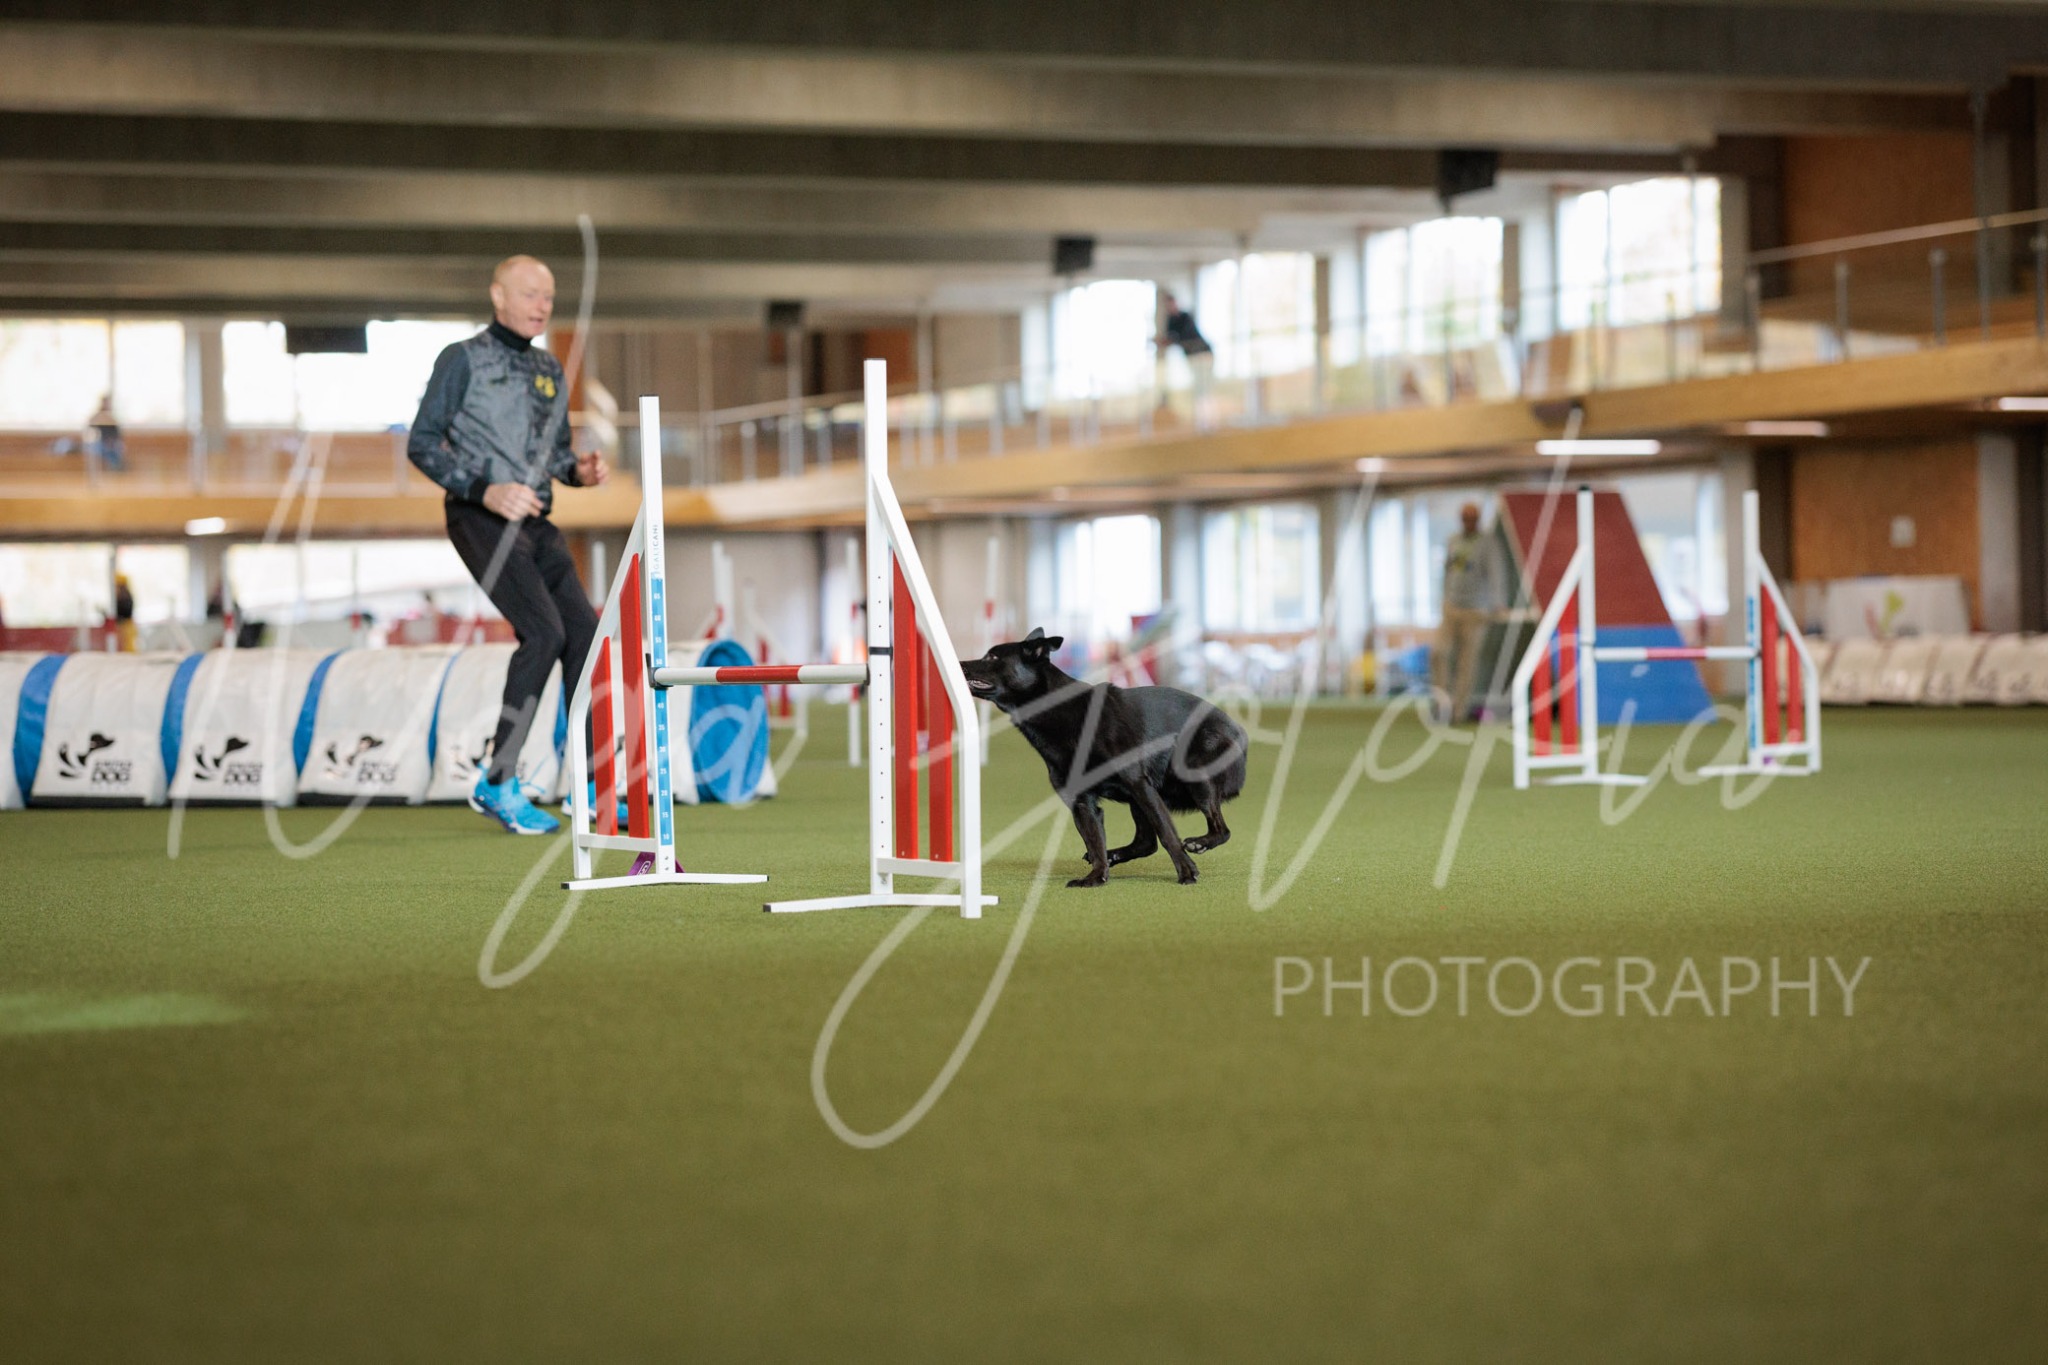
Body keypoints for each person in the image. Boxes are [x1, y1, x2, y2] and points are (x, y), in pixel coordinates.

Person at [409, 255, 608, 834]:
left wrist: (579, 472)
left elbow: (557, 457)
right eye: (529, 294)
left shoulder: (548, 368)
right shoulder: (462, 359)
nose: (541, 306)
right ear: (498, 296)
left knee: (585, 637)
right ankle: (498, 782)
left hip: (537, 522)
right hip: (480, 517)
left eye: (548, 296)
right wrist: (485, 491)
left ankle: (589, 789)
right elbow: (422, 443)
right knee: (544, 633)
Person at [1434, 502, 1499, 724]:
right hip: (1451, 607)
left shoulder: (1487, 543)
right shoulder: (1453, 541)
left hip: (1476, 610)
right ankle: (1442, 703)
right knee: (1439, 653)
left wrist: (1496, 603)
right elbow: (1446, 572)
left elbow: (1496, 574)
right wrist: (1443, 598)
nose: (1468, 522)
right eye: (1465, 518)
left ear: (1478, 520)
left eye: (1472, 518)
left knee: (1467, 663)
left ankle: (1459, 711)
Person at [1157, 291, 1214, 428]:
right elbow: (1169, 338)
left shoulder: (1185, 317)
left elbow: (1177, 337)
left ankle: (1207, 421)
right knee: (1198, 389)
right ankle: (1202, 421)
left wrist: (1166, 340)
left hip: (1202, 355)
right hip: (1191, 357)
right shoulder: (1171, 320)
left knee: (1204, 389)